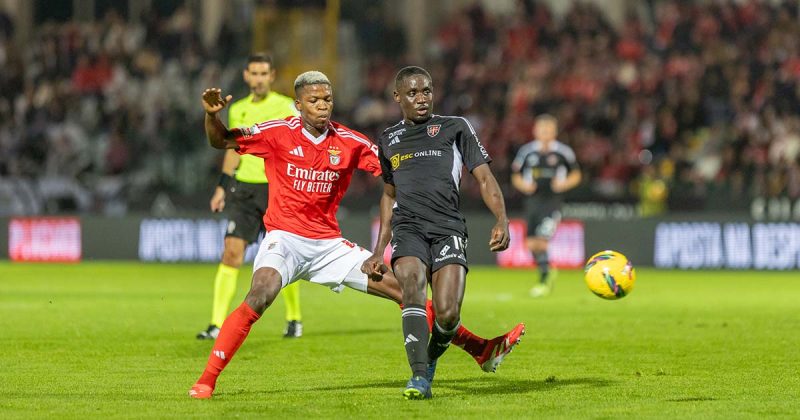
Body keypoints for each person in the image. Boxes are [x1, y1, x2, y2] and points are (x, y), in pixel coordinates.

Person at [189, 71, 525, 399]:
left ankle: (480, 349)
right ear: (298, 105)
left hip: (330, 245)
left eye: (328, 99)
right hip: (286, 238)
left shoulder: (350, 142)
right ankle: (206, 380)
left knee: (407, 293)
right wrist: (211, 116)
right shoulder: (276, 133)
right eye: (314, 100)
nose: (323, 105)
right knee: (260, 293)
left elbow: (397, 173)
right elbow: (221, 140)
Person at [362, 66, 518, 400]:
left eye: (427, 91)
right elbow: (389, 196)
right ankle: (419, 377)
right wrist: (378, 251)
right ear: (398, 97)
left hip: (448, 228)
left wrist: (501, 219)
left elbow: (485, 178)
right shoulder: (388, 139)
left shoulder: (455, 128)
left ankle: (429, 357)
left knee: (447, 314)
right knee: (413, 288)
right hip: (409, 229)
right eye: (413, 93)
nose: (422, 99)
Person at [196, 53, 305, 341]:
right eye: (253, 73)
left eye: (263, 74)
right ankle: (216, 323)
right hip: (243, 189)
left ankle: (294, 318)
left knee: (283, 254)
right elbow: (233, 149)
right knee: (231, 252)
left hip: (277, 188)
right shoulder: (239, 108)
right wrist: (222, 186)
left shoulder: (286, 106)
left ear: (272, 76)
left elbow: (300, 144)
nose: (258, 79)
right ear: (246, 76)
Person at [510, 114, 581, 297]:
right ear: (535, 131)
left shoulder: (563, 152)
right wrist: (523, 185)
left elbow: (576, 175)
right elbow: (515, 175)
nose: (545, 133)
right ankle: (547, 269)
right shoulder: (526, 152)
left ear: (555, 132)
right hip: (533, 200)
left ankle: (544, 280)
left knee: (541, 241)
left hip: (552, 201)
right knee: (530, 244)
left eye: (549, 130)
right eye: (542, 130)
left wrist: (564, 184)